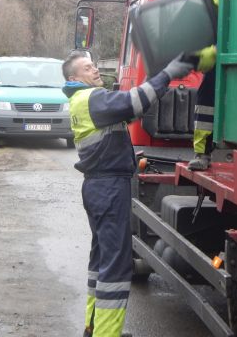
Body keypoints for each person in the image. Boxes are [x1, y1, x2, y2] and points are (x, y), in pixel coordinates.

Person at [62, 51, 194, 337]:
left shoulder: (82, 100)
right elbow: (134, 101)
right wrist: (168, 73)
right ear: (74, 77)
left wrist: (158, 80)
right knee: (116, 266)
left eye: (94, 65)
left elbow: (132, 110)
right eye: (88, 68)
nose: (95, 70)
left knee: (101, 261)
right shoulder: (93, 99)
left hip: (98, 186)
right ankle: (106, 334)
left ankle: (94, 327)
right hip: (109, 188)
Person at [176, 0, 225, 170]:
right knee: (205, 96)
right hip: (208, 52)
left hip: (229, 52)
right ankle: (202, 153)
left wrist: (214, 52)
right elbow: (177, 13)